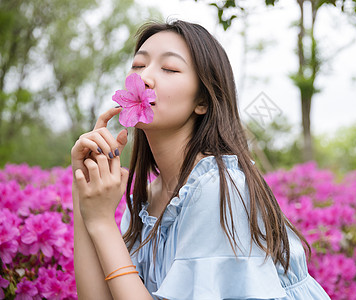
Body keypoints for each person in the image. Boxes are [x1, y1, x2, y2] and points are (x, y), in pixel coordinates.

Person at [71, 19, 331, 300]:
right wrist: (84, 191)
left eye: (169, 68)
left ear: (203, 101)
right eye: (138, 65)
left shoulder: (219, 188)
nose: (145, 77)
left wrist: (102, 223)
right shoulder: (147, 199)